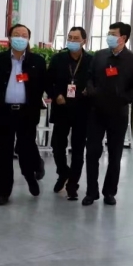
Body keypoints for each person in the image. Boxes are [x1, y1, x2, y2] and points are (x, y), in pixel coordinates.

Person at [83, 22, 133, 206]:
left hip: (118, 112)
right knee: (92, 152)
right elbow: (89, 76)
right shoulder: (100, 55)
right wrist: (91, 89)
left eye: (113, 34)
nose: (109, 36)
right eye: (108, 33)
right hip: (96, 111)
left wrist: (124, 98)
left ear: (123, 38)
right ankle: (91, 191)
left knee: (115, 155)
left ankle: (109, 192)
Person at [0, 24, 47, 206]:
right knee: (3, 152)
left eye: (24, 35)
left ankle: (30, 177)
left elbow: (40, 87)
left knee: (25, 149)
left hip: (26, 113)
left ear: (28, 39)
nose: (20, 38)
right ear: (9, 38)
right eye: (16, 34)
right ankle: (3, 191)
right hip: (4, 112)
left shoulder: (37, 61)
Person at [46, 26, 93, 200]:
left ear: (84, 41)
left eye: (76, 38)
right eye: (70, 37)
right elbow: (47, 81)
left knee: (78, 149)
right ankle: (63, 172)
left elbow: (96, 81)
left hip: (82, 109)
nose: (72, 41)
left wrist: (89, 90)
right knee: (57, 146)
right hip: (62, 107)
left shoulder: (91, 61)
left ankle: (73, 184)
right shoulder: (58, 59)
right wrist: (55, 95)